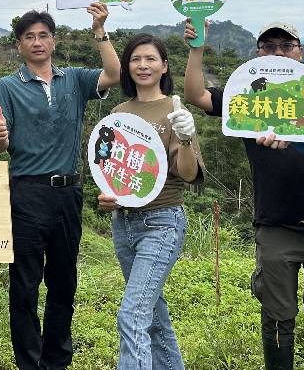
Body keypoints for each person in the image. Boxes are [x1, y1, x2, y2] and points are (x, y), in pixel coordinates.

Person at [183, 20, 304, 370]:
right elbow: (196, 95)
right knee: (278, 315)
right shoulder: (248, 98)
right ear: (258, 54)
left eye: (286, 46)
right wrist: (196, 48)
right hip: (276, 224)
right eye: (269, 47)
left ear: (301, 51)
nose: (278, 52)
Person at [0, 4, 121, 370]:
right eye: (29, 36)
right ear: (19, 45)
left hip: (67, 193)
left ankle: (57, 360)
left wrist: (100, 30)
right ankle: (29, 362)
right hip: (25, 192)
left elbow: (114, 73)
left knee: (64, 284)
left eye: (43, 35)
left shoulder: (74, 80)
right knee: (25, 286)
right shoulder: (7, 86)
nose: (37, 42)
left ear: (54, 40)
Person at [97, 33, 204, 370]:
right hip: (124, 224)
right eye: (135, 60)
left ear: (164, 66)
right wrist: (108, 196)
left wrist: (186, 138)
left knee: (132, 313)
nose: (142, 65)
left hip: (162, 222)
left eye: (150, 59)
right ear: (127, 67)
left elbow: (187, 174)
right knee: (152, 312)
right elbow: (112, 171)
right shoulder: (119, 111)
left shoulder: (174, 108)